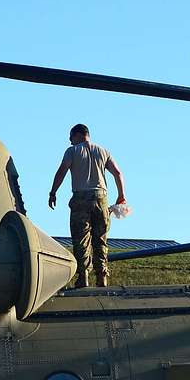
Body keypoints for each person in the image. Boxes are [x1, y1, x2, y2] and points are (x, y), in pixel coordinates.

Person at [47, 123, 127, 288]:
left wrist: (53, 192)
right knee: (100, 239)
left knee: (81, 239)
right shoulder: (103, 151)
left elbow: (62, 171)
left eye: (71, 138)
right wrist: (121, 195)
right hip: (101, 199)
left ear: (77, 135)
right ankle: (101, 277)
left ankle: (83, 277)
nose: (70, 142)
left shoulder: (73, 151)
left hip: (81, 199)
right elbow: (118, 173)